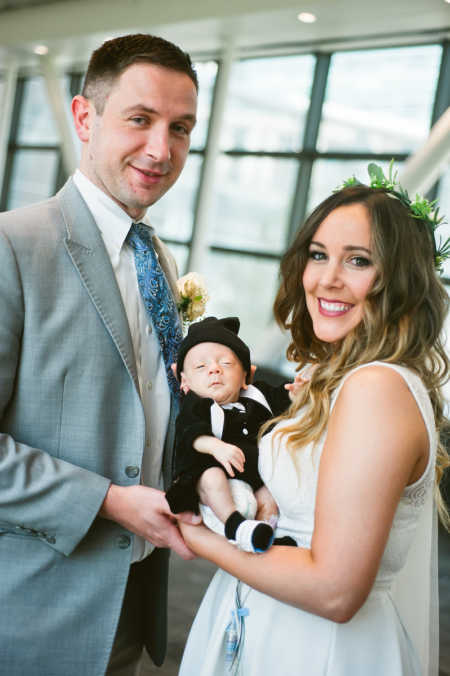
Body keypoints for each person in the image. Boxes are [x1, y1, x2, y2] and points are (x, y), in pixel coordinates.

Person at [177, 163, 450, 675]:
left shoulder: (377, 389)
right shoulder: (342, 378)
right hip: (264, 624)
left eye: (359, 260)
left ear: (400, 280)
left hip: (316, 650)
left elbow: (335, 591)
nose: (327, 278)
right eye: (319, 255)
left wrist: (199, 536)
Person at [0, 33, 201, 676]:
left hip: (129, 604)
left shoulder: (158, 259)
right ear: (85, 117)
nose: (160, 149)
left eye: (181, 128)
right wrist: (110, 501)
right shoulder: (13, 246)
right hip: (31, 607)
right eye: (139, 120)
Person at [166, 315, 295, 553]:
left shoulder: (258, 396)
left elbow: (285, 399)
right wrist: (215, 446)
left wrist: (297, 393)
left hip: (253, 477)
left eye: (226, 364)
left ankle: (265, 533)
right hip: (211, 482)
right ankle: (234, 525)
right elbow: (190, 433)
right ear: (185, 382)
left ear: (246, 375)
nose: (214, 369)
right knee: (210, 477)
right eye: (201, 367)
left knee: (269, 496)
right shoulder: (198, 404)